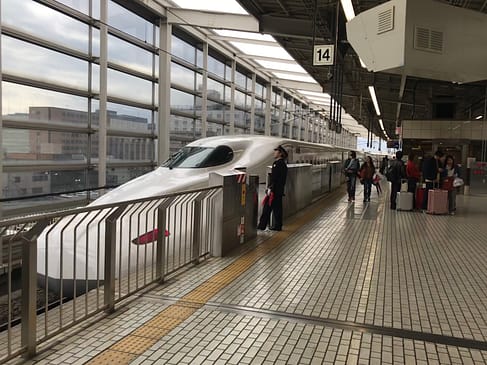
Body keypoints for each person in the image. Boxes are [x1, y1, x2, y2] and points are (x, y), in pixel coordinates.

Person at [257, 145, 288, 231]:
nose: (274, 153)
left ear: (280, 153)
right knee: (277, 209)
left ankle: (262, 226)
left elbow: (275, 178)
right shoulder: (283, 164)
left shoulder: (277, 164)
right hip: (278, 191)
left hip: (274, 191)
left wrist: (270, 189)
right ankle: (278, 226)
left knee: (267, 208)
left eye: (276, 151)